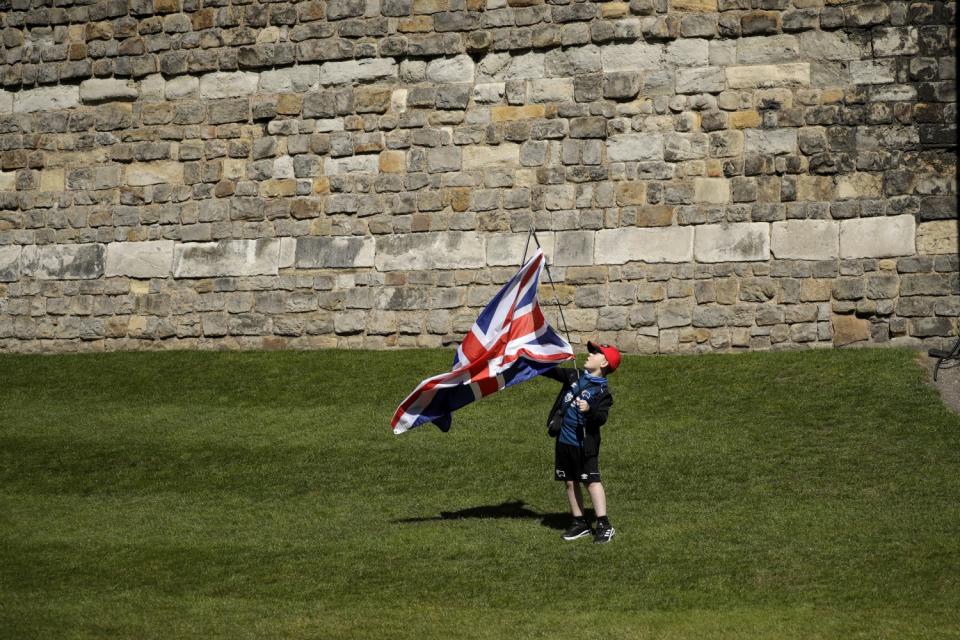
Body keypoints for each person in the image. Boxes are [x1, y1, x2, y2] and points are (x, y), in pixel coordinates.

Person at [543, 341, 620, 544]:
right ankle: (579, 522)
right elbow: (552, 372)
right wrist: (531, 361)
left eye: (596, 353)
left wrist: (589, 409)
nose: (590, 354)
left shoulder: (602, 393)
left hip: (584, 446)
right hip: (564, 441)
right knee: (569, 481)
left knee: (591, 482)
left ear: (604, 363)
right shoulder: (574, 376)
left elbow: (601, 418)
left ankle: (603, 523)